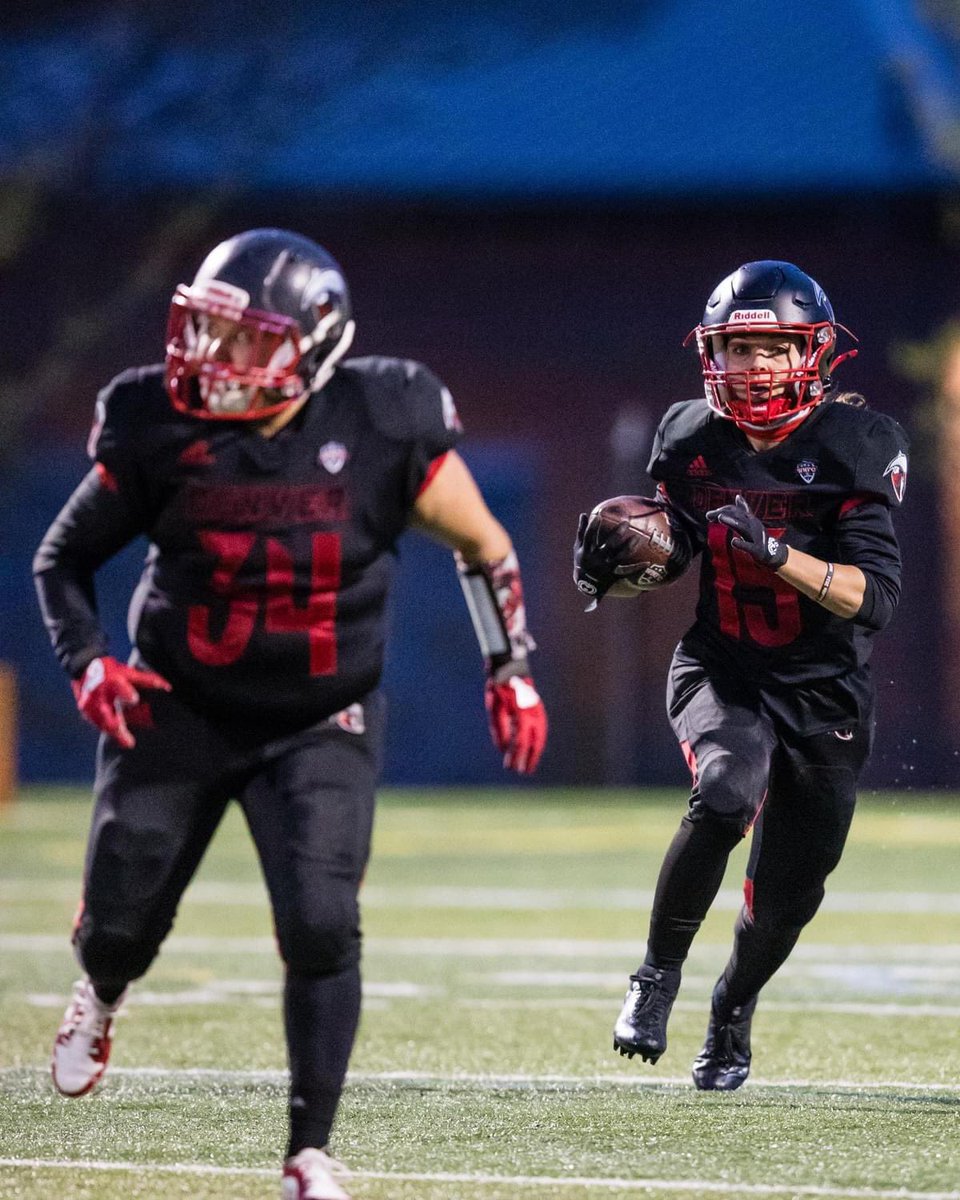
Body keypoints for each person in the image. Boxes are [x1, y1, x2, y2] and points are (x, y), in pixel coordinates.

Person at [34, 228, 548, 1199]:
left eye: (241, 339)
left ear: (313, 345)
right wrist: (87, 662)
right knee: (118, 929)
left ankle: (310, 1151)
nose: (208, 358)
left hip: (322, 712)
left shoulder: (385, 419)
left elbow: (484, 544)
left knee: (321, 921)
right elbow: (61, 558)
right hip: (178, 705)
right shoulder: (157, 425)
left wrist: (509, 667)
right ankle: (100, 991)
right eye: (206, 329)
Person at [573, 260, 907, 1090]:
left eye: (772, 349)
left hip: (825, 693)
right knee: (725, 790)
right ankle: (654, 979)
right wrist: (626, 560)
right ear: (710, 355)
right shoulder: (689, 437)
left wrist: (781, 554)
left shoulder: (857, 444)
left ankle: (731, 1008)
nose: (753, 367)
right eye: (737, 348)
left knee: (786, 898)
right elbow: (681, 542)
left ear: (815, 354)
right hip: (722, 668)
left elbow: (877, 600)